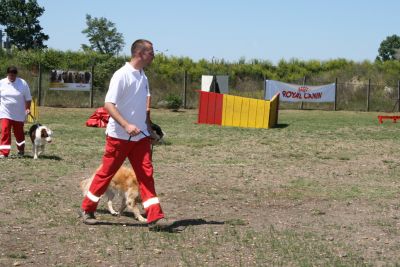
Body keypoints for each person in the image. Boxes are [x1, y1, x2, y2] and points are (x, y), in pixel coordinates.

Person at [80, 39, 171, 231]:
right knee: (106, 173)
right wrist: (126, 125)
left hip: (140, 138)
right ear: (139, 53)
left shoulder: (143, 77)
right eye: (151, 52)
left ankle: (155, 216)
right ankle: (87, 209)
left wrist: (149, 128)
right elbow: (108, 105)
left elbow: (141, 109)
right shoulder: (121, 75)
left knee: (146, 175)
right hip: (118, 137)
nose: (154, 55)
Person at [0, 66, 32, 158]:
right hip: (5, 112)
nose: (12, 77)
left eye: (13, 75)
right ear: (7, 74)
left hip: (19, 114)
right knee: (5, 130)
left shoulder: (22, 83)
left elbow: (28, 98)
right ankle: (3, 152)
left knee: (19, 133)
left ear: (16, 75)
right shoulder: (2, 83)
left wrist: (27, 108)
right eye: (10, 75)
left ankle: (21, 150)